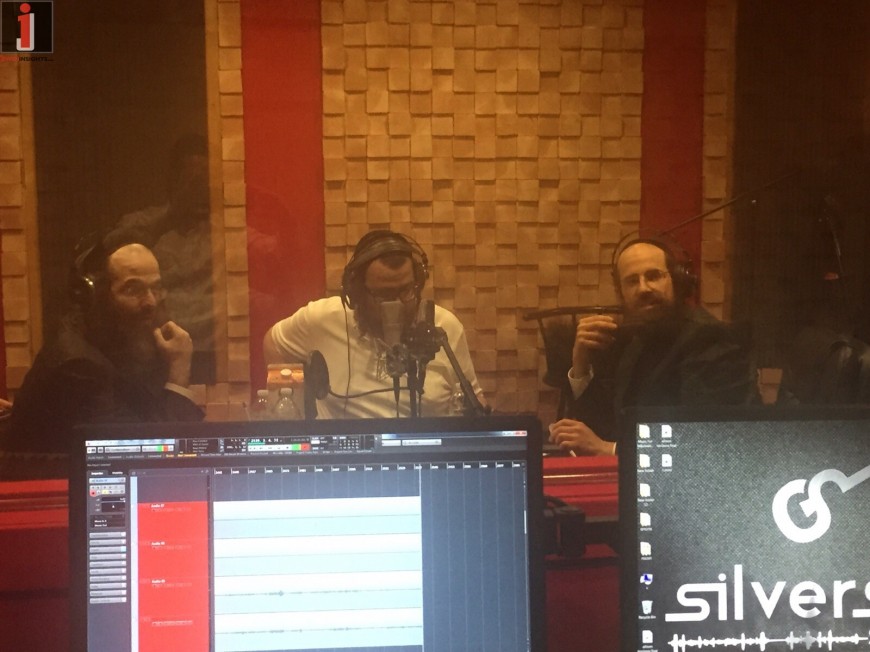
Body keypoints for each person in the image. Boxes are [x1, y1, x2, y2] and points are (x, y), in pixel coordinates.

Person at [548, 236, 757, 455]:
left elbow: (706, 445)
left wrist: (609, 449)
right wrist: (580, 364)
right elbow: (608, 425)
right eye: (632, 281)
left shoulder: (711, 339)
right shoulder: (638, 339)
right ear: (621, 292)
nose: (643, 288)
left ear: (679, 280)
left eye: (654, 276)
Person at [2, 241, 204, 455]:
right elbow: (148, 456)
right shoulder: (79, 366)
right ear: (96, 294)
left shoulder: (109, 342)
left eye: (155, 287)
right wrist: (179, 371)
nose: (151, 302)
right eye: (133, 289)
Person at [263, 230, 486, 418]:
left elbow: (474, 400)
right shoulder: (322, 319)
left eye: (406, 291)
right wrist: (297, 405)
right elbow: (273, 343)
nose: (397, 305)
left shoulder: (444, 328)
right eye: (384, 295)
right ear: (357, 293)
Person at [107, 134, 215, 383]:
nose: (199, 189)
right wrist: (173, 213)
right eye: (192, 180)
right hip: (150, 353)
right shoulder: (144, 224)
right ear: (174, 180)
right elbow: (111, 251)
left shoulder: (222, 232)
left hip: (209, 354)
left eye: (205, 180)